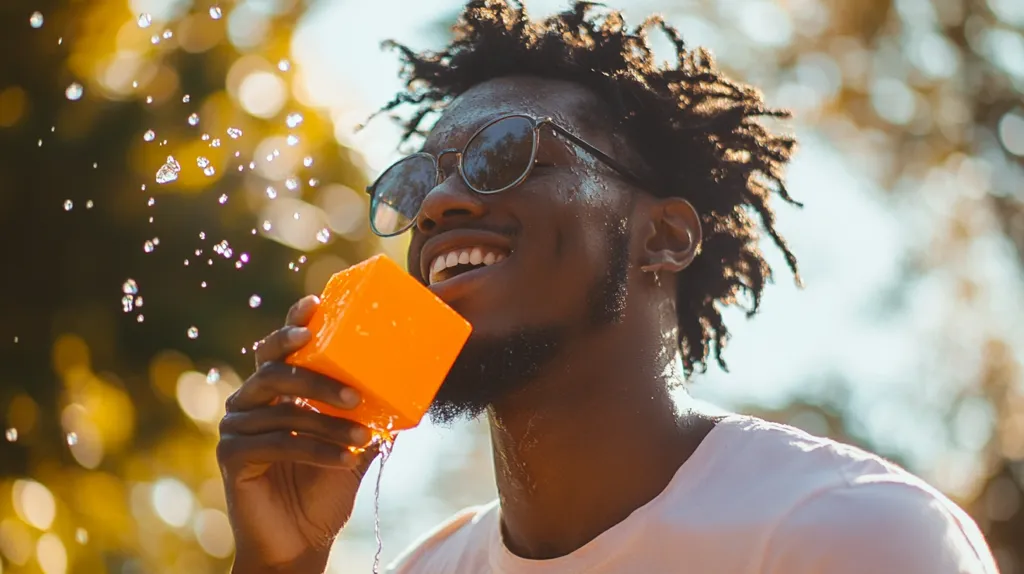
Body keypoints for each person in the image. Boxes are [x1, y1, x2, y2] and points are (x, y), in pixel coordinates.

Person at [216, 1, 1000, 572]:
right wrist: (284, 562)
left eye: (505, 154)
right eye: (419, 181)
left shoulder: (851, 534)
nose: (437, 205)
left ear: (663, 236)